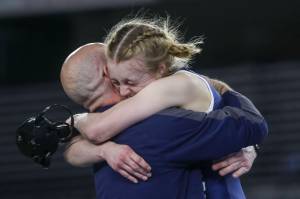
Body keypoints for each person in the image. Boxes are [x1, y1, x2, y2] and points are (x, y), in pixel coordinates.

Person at [61, 43, 267, 199]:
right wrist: (248, 145)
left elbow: (71, 149)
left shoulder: (90, 138)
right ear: (108, 72)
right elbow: (251, 124)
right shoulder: (161, 126)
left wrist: (86, 130)